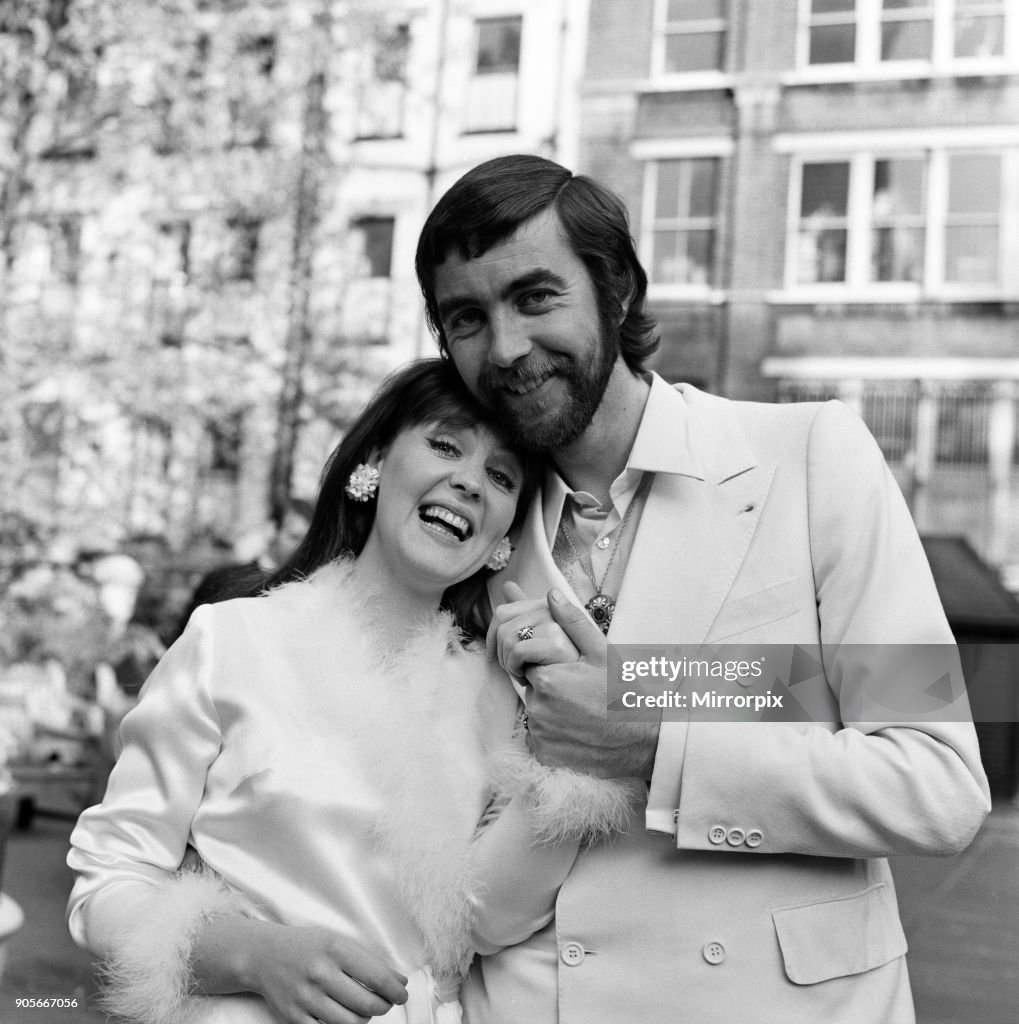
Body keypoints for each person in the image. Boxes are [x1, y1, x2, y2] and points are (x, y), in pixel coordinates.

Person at [414, 155, 992, 1024]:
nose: (504, 349)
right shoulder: (463, 533)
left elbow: (937, 782)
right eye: (466, 317)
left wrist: (651, 742)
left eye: (536, 297)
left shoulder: (812, 457)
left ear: (616, 292)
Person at [67, 359, 633, 1024]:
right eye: (444, 444)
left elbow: (488, 924)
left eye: (501, 475)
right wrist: (253, 953)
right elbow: (108, 876)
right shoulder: (233, 639)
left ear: (503, 541)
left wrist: (570, 754)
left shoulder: (502, 698)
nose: (469, 483)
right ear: (372, 464)